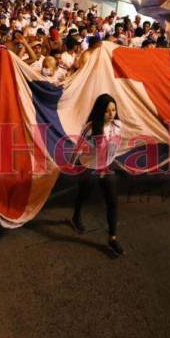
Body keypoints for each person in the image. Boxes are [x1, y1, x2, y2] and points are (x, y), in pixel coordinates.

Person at [69, 94, 125, 257]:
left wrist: (110, 163)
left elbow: (115, 145)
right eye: (107, 111)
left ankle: (112, 238)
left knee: (113, 202)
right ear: (100, 111)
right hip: (88, 166)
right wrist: (72, 165)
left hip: (105, 167)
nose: (111, 114)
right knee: (83, 195)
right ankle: (75, 217)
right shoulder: (90, 128)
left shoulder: (118, 125)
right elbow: (78, 147)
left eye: (113, 110)